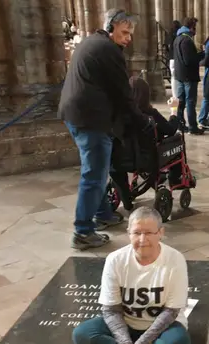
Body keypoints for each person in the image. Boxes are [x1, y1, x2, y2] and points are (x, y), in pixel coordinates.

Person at [59, 8, 149, 251]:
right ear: (111, 27)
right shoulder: (109, 50)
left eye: (130, 34)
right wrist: (142, 121)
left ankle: (103, 213)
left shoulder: (92, 42)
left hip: (76, 114)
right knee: (94, 174)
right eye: (125, 32)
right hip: (90, 119)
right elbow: (123, 94)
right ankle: (83, 231)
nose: (129, 38)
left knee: (97, 169)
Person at [72, 206, 191, 344]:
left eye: (149, 233)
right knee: (82, 334)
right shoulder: (115, 259)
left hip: (161, 328)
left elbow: (171, 312)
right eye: (136, 233)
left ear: (161, 232)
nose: (142, 240)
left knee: (177, 343)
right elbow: (111, 310)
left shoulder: (175, 260)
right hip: (125, 324)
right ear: (128, 234)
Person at [109, 77, 181, 211]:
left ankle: (126, 201)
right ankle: (175, 178)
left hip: (119, 161)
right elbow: (170, 130)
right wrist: (174, 110)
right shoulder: (150, 114)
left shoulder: (116, 115)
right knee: (176, 141)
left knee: (115, 168)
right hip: (146, 161)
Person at [173, 17, 205, 135]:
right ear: (191, 27)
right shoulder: (186, 40)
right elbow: (189, 60)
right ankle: (192, 127)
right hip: (188, 77)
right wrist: (203, 54)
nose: (195, 30)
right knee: (190, 102)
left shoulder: (177, 38)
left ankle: (180, 125)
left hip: (180, 75)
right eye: (195, 27)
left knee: (181, 103)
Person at [167, 20, 182, 99]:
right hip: (176, 58)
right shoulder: (178, 35)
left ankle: (174, 95)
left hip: (171, 58)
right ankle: (179, 95)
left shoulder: (169, 35)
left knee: (173, 77)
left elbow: (167, 46)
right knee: (178, 77)